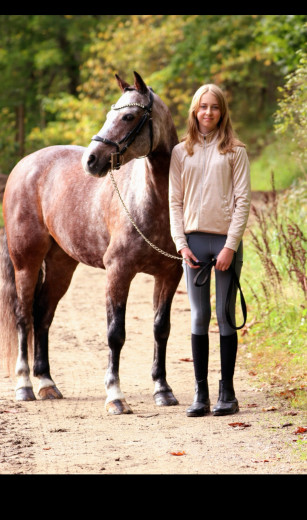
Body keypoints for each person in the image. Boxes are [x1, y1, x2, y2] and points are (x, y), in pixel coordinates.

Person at [169, 84, 251, 417]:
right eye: (202, 106)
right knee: (199, 317)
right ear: (193, 110)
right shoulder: (180, 152)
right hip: (194, 243)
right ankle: (200, 395)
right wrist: (181, 243)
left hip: (224, 243)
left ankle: (227, 395)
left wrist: (230, 246)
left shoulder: (236, 151)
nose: (208, 112)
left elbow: (243, 200)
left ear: (222, 111)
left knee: (225, 317)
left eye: (214, 107)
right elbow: (174, 202)